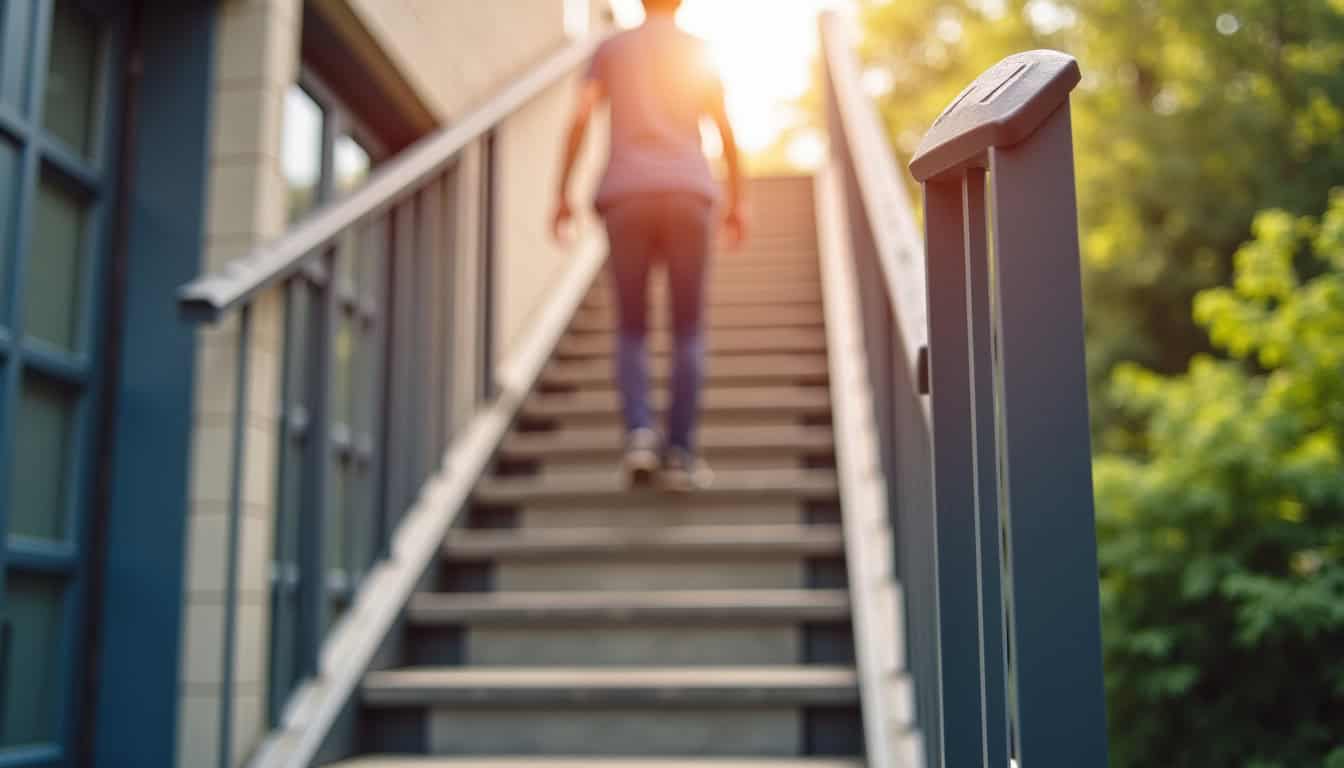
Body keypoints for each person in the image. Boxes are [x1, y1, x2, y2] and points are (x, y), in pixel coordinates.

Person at [551, 0, 746, 491]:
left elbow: (581, 116)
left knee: (632, 327)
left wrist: (561, 193)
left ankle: (640, 433)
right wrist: (737, 201)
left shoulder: (611, 48)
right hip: (688, 192)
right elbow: (725, 131)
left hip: (626, 194)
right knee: (688, 329)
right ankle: (679, 453)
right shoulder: (699, 50)